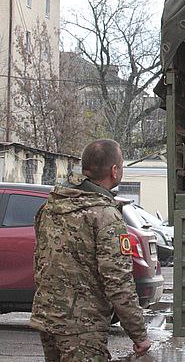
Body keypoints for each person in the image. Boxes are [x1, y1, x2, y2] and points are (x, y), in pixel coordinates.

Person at [30, 139, 151, 361]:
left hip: (48, 320)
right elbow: (118, 281)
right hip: (83, 328)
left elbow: (40, 260)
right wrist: (139, 335)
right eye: (122, 165)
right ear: (114, 171)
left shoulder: (50, 206)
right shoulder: (104, 215)